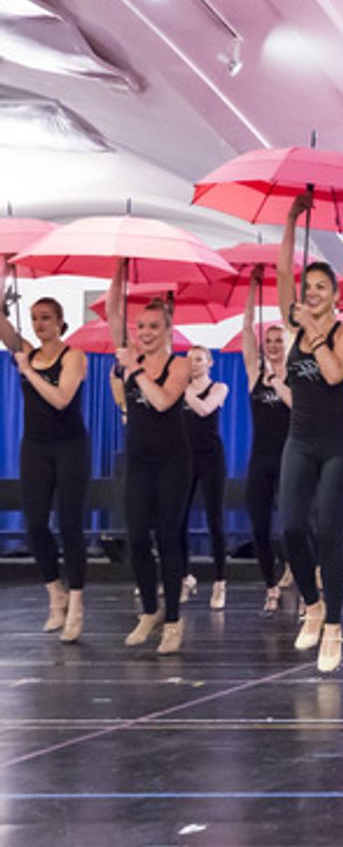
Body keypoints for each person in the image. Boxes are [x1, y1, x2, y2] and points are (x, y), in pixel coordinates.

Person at [276, 190, 343, 672]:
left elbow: (332, 374)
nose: (311, 293)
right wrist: (291, 221)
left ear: (336, 296)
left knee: (328, 530)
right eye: (307, 287)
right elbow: (281, 273)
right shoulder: (296, 323)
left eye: (321, 288)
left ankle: (334, 626)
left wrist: (312, 327)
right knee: (291, 528)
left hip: (338, 446)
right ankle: (312, 606)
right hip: (300, 440)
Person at [0, 266, 89, 642]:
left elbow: (61, 398)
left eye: (46, 318)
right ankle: (56, 594)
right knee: (35, 524)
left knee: (69, 525)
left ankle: (77, 602)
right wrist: (4, 273)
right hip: (35, 447)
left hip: (70, 447)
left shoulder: (74, 356)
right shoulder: (27, 352)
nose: (39, 324)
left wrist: (30, 372)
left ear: (60, 322)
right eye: (35, 318)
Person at [108, 264, 192, 655]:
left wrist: (135, 368)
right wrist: (118, 269)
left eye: (153, 327)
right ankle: (149, 611)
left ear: (168, 330)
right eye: (140, 326)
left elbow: (161, 402)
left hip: (173, 463)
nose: (145, 332)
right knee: (137, 537)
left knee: (168, 537)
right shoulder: (128, 363)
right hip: (139, 461)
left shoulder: (180, 364)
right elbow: (113, 311)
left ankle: (173, 619)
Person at [240, 273, 291, 613]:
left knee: (293, 528)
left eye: (278, 340)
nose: (272, 345)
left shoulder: (295, 376)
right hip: (260, 460)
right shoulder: (255, 373)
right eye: (268, 341)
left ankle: (300, 575)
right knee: (259, 527)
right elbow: (247, 330)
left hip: (290, 460)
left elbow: (298, 407)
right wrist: (252, 290)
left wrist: (278, 381)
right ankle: (270, 586)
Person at [177, 345, 229, 610]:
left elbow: (205, 410)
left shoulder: (219, 387)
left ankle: (220, 581)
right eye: (189, 360)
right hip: (185, 458)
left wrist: (184, 391)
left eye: (199, 359)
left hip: (211, 458)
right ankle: (184, 577)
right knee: (178, 520)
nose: (194, 364)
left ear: (210, 362)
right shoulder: (179, 389)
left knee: (214, 519)